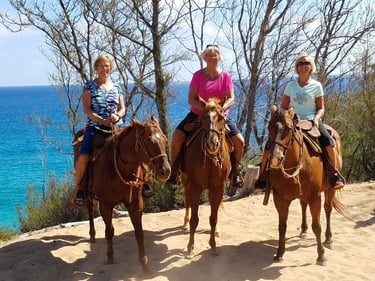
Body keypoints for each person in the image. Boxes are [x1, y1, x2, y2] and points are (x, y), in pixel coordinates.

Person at [254, 52, 344, 192]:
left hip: (311, 120)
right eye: (300, 63)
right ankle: (263, 176)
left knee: (328, 141)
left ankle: (333, 174)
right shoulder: (291, 86)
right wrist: (284, 118)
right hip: (293, 121)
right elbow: (283, 107)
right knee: (270, 144)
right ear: (297, 67)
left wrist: (316, 119)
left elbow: (321, 108)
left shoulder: (316, 86)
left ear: (311, 67)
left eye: (306, 63)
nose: (303, 66)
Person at [71, 54, 153, 207]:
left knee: (137, 148)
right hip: (95, 127)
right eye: (102, 65)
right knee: (83, 156)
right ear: (96, 68)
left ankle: (144, 183)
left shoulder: (116, 87)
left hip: (117, 127)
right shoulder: (89, 86)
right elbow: (87, 110)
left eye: (107, 65)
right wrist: (101, 120)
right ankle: (80, 190)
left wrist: (117, 115)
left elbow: (122, 108)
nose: (105, 68)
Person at [167, 44, 244, 189]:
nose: (212, 58)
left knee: (239, 141)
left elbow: (231, 98)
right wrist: (206, 110)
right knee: (177, 136)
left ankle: (235, 172)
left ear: (219, 57)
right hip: (199, 114)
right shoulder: (197, 75)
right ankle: (175, 171)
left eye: (215, 55)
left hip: (220, 116)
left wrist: (221, 109)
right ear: (205, 58)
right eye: (209, 55)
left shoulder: (226, 76)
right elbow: (191, 99)